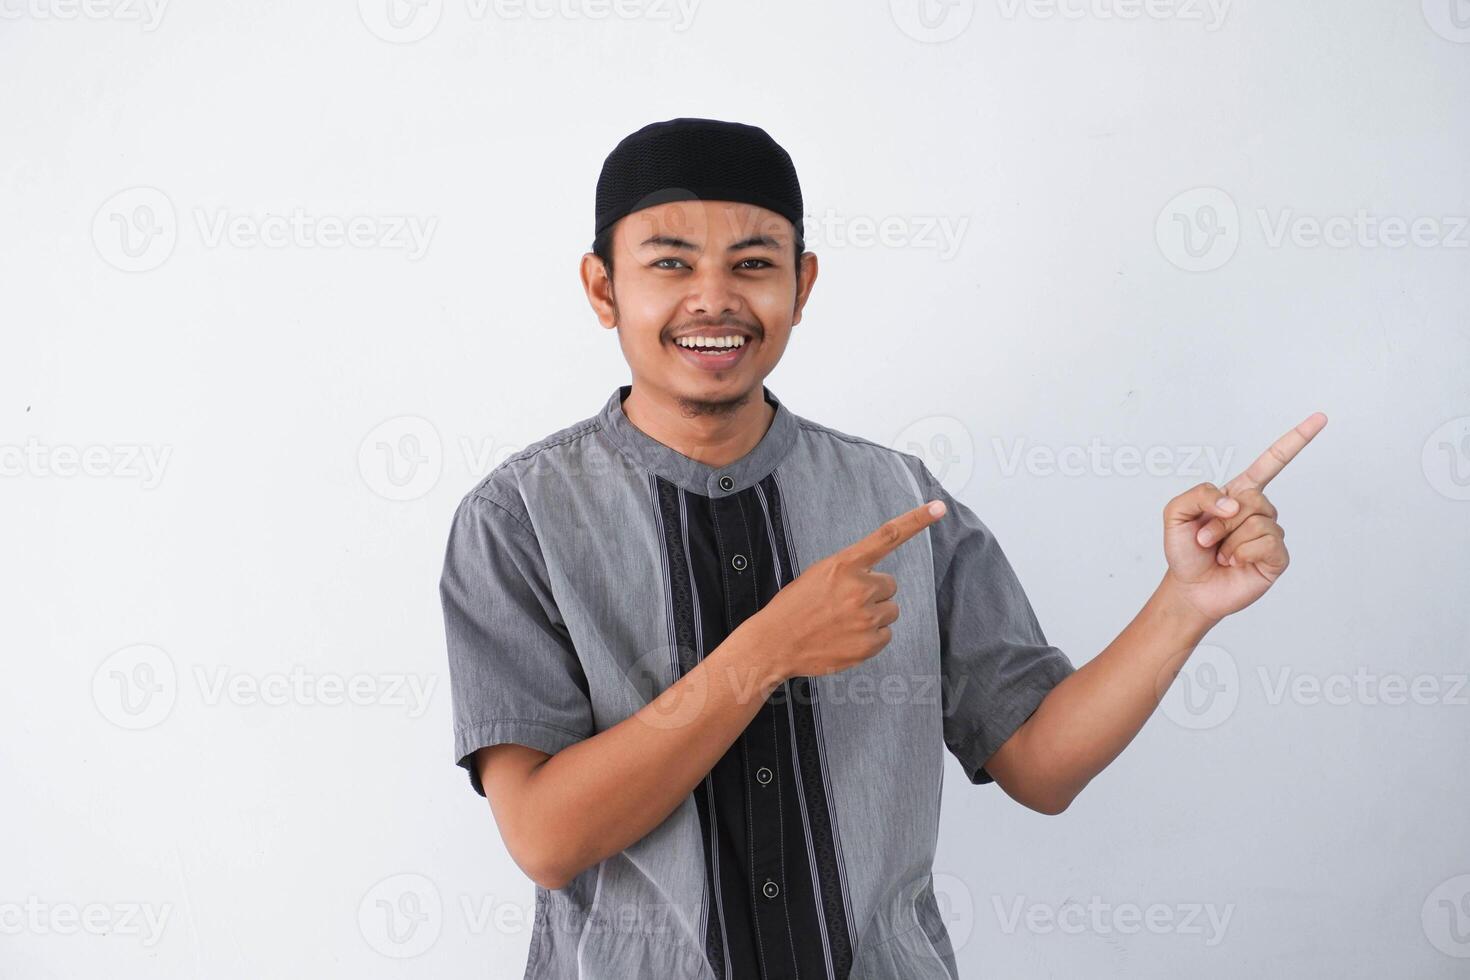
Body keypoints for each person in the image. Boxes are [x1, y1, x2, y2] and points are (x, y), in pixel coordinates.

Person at [438, 117, 1326, 980]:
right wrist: (770, 647)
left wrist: (1186, 603)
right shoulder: (518, 520)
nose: (713, 298)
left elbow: (1042, 766)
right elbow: (547, 840)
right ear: (603, 290)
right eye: (670, 264)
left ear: (803, 284)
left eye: (753, 265)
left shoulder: (898, 501)